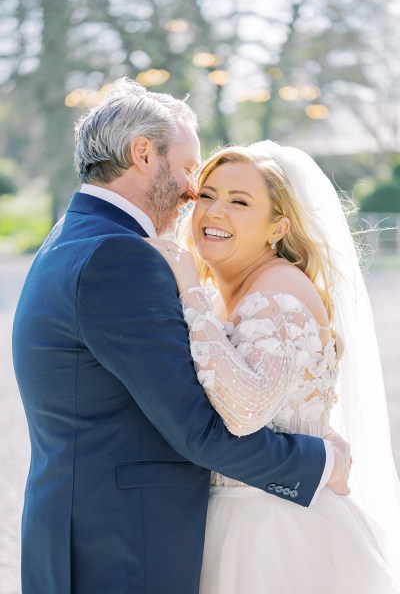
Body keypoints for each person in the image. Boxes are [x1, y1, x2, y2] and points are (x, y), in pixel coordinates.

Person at [12, 78, 350, 594]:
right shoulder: (119, 257)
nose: (195, 192)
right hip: (122, 547)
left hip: (92, 534)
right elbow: (198, 430)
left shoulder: (73, 235)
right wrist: (321, 461)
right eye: (193, 170)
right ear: (143, 153)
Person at [149, 142, 400, 593]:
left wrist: (188, 290)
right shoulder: (229, 293)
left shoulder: (278, 288)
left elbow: (245, 410)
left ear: (277, 227)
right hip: (237, 514)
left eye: (240, 202)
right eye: (207, 195)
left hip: (276, 530)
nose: (215, 211)